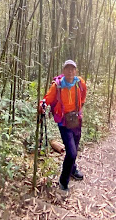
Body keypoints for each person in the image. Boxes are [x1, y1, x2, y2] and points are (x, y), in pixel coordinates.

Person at [38, 59, 87, 191]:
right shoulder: (57, 85)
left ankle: (72, 169)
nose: (70, 71)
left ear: (75, 71)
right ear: (63, 71)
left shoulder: (80, 83)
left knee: (74, 149)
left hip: (76, 120)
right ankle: (63, 180)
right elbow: (47, 98)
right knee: (71, 152)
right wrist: (42, 104)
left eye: (72, 69)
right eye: (67, 69)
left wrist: (78, 110)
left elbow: (83, 97)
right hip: (64, 122)